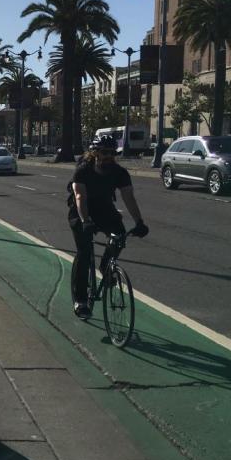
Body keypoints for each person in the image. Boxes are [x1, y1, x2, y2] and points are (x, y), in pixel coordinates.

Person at [67, 134, 149, 320]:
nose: (109, 156)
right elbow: (80, 197)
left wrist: (139, 222)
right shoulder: (83, 171)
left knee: (119, 235)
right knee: (85, 252)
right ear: (95, 153)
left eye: (113, 152)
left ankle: (105, 267)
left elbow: (129, 197)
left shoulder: (119, 173)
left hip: (104, 208)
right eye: (105, 152)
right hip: (81, 211)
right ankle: (81, 301)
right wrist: (85, 221)